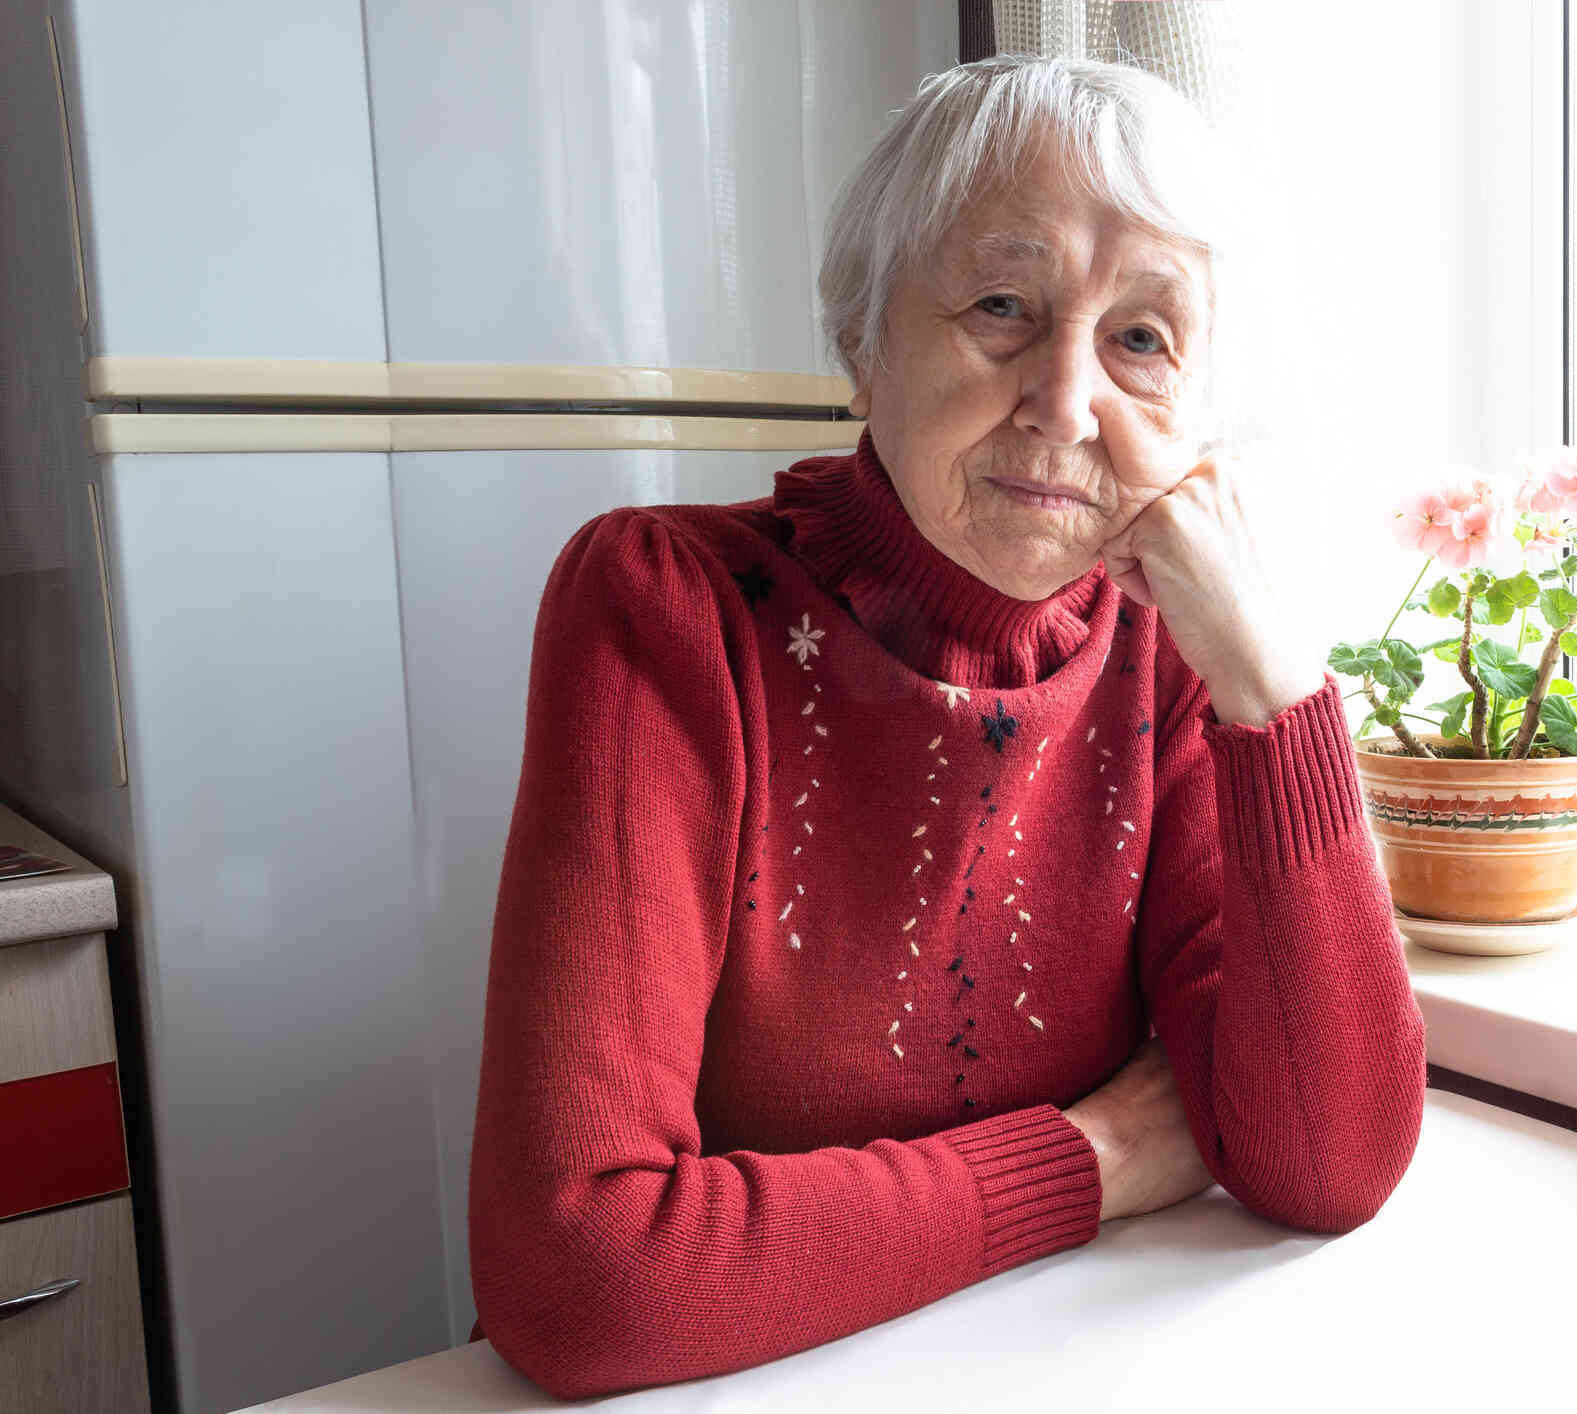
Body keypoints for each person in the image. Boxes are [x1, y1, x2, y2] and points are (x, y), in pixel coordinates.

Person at [465, 54, 1426, 1400]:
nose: (1067, 400)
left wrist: (1270, 682)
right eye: (1000, 305)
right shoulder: (666, 608)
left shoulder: (1174, 657)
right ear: (866, 346)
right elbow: (585, 1275)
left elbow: (1327, 1163)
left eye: (1140, 338)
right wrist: (1091, 1159)